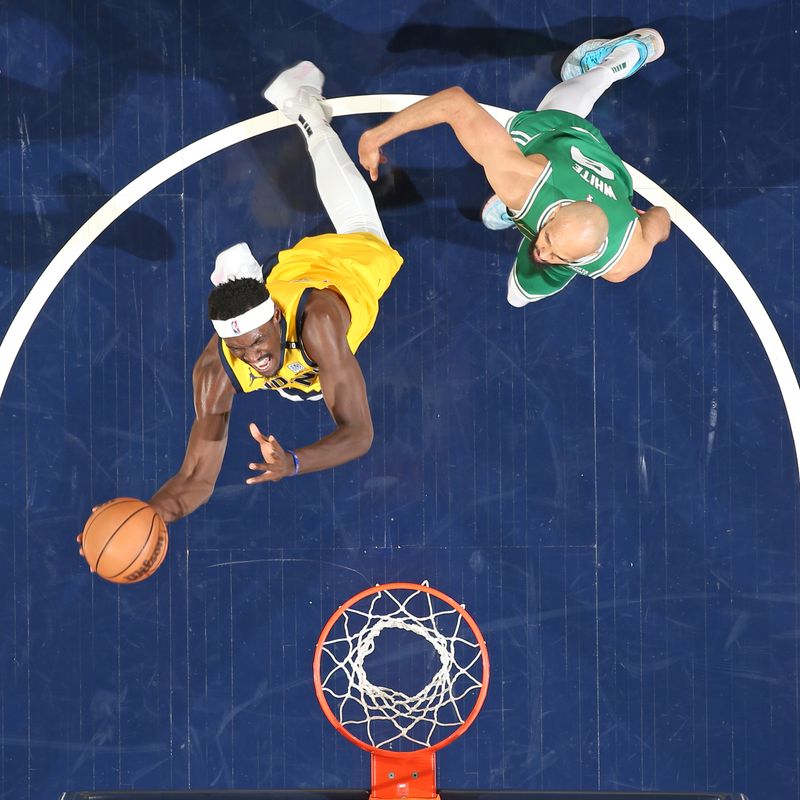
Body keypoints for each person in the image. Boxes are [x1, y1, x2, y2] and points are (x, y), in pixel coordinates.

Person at [143, 62, 403, 524]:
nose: (253, 357)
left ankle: (307, 109)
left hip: (341, 272)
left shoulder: (319, 324)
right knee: (254, 355)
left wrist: (295, 462)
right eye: (240, 348)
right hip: (283, 283)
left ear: (278, 320)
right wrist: (148, 517)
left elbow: (360, 433)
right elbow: (196, 478)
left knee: (364, 228)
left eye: (258, 342)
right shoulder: (219, 366)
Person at [358, 28, 672, 306]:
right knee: (560, 105)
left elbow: (661, 218)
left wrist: (642, 221)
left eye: (557, 254)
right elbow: (454, 103)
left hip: (608, 178)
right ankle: (614, 61)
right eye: (547, 237)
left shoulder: (624, 261)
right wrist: (375, 136)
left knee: (517, 297)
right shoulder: (523, 184)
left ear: (586, 256)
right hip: (563, 141)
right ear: (557, 212)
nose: (544, 253)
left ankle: (516, 217)